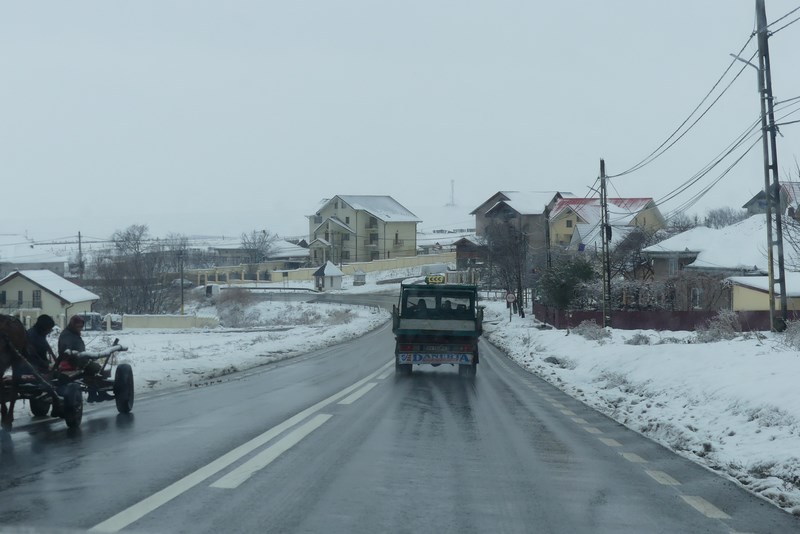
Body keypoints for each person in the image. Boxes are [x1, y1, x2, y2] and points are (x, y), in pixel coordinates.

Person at [58, 315, 110, 402]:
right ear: (72, 325)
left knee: (92, 368)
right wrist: (71, 352)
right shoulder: (67, 335)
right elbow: (67, 347)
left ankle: (94, 394)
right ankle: (97, 394)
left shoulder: (71, 333)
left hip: (78, 359)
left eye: (81, 326)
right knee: (96, 368)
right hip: (73, 361)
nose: (80, 328)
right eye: (78, 326)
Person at [11, 314, 55, 380]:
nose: (49, 331)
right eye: (49, 329)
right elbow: (32, 356)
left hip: (37, 369)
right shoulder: (32, 336)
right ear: (43, 327)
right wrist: (45, 365)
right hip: (29, 371)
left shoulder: (40, 334)